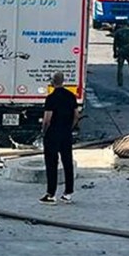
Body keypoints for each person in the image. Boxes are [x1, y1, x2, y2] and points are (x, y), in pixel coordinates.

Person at [40, 72, 78, 203]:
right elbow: (76, 115)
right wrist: (69, 128)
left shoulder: (51, 98)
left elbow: (47, 120)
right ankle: (68, 193)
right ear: (63, 81)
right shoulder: (71, 96)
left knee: (52, 163)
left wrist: (44, 132)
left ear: (52, 82)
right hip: (66, 133)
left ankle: (51, 194)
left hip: (53, 134)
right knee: (67, 162)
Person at [113, 21, 129, 87]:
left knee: (120, 68)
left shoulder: (118, 32)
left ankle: (120, 82)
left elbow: (115, 44)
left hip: (121, 51)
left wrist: (115, 53)